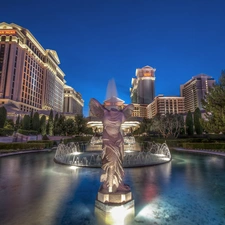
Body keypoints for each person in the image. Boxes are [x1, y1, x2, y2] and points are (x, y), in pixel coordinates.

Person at [89, 98, 134, 193]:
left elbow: (130, 108)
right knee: (111, 162)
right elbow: (93, 102)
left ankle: (118, 183)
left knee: (118, 163)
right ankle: (109, 184)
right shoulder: (104, 113)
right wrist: (101, 106)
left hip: (118, 140)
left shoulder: (121, 115)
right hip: (107, 140)